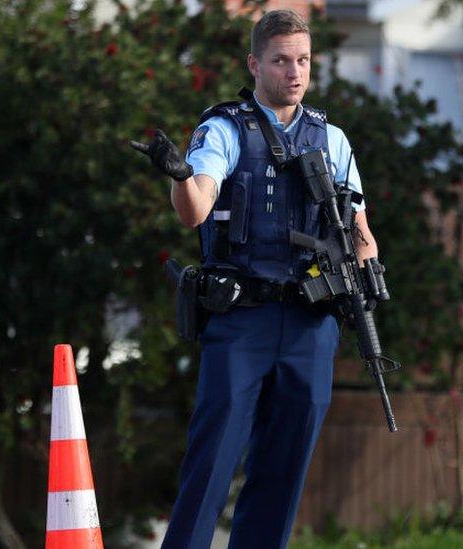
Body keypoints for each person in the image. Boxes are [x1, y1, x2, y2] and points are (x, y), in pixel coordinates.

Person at [132, 9, 379, 548]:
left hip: (312, 321)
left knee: (284, 469)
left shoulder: (331, 138)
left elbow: (362, 231)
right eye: (281, 60)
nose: (294, 72)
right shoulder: (224, 129)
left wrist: (361, 270)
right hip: (242, 319)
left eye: (303, 61)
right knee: (213, 459)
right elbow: (196, 209)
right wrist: (179, 177)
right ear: (255, 63)